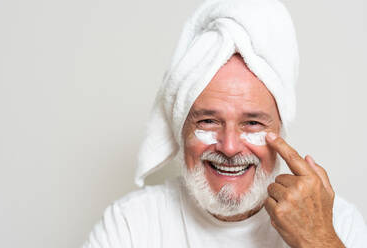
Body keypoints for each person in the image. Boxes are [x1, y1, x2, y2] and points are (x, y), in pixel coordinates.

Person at [82, 0, 367, 247]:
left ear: (280, 129)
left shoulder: (337, 224)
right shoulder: (132, 224)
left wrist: (318, 240)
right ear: (181, 128)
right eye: (208, 121)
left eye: (252, 123)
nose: (229, 147)